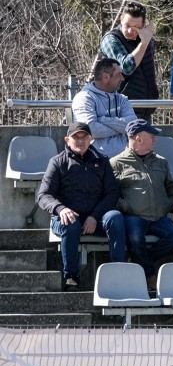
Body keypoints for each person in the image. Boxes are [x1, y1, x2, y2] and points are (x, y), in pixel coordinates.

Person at [35, 122, 124, 291]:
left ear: (91, 139)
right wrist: (61, 209)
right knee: (70, 222)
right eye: (76, 137)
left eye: (85, 137)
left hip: (96, 218)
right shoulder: (57, 162)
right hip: (66, 218)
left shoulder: (102, 161)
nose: (81, 141)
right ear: (67, 140)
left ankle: (118, 273)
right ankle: (71, 277)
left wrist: (94, 216)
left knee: (115, 217)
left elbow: (112, 193)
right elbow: (43, 196)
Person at [106, 120, 173, 284]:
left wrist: (168, 204)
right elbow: (111, 193)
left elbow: (170, 187)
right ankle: (148, 273)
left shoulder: (161, 161)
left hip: (159, 217)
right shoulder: (116, 163)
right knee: (134, 237)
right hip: (133, 216)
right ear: (139, 138)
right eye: (151, 136)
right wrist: (125, 206)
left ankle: (138, 262)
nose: (155, 139)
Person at [98, 1, 159, 122]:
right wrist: (144, 43)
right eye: (127, 25)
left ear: (143, 26)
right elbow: (126, 67)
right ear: (121, 19)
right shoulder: (111, 39)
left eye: (136, 27)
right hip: (119, 110)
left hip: (145, 109)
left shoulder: (145, 40)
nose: (131, 31)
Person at [71, 58, 138, 158]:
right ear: (106, 76)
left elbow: (133, 124)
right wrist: (120, 129)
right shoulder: (84, 98)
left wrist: (102, 120)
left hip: (124, 159)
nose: (122, 78)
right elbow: (90, 129)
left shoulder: (122, 99)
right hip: (95, 161)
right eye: (119, 74)